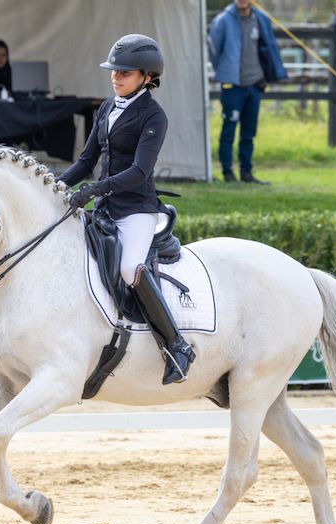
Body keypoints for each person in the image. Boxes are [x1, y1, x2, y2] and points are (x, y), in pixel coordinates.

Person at [58, 34, 196, 386]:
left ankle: (177, 346)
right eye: (114, 71)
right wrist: (55, 187)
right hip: (105, 206)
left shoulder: (154, 115)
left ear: (147, 77)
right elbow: (87, 160)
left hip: (136, 209)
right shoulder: (106, 107)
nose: (116, 77)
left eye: (125, 72)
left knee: (129, 267)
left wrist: (94, 189)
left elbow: (138, 172)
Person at [209, 0, 287, 183]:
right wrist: (226, 70)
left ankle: (247, 173)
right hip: (232, 85)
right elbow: (214, 50)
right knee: (228, 130)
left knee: (249, 133)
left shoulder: (260, 19)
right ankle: (227, 173)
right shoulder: (222, 20)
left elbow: (269, 47)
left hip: (254, 84)